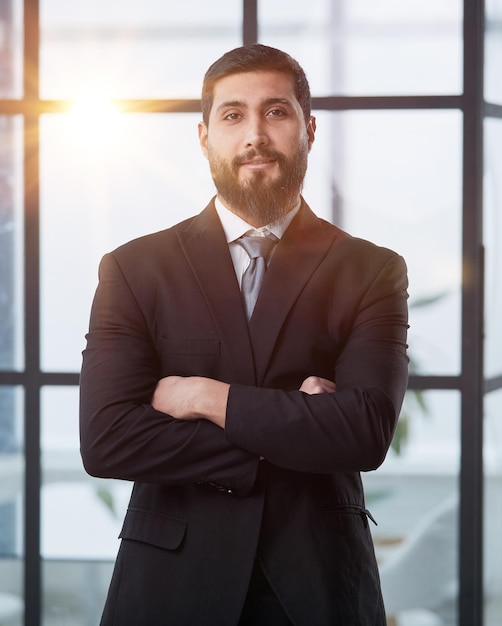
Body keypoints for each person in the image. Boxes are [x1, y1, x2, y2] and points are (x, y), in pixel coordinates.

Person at [79, 43, 409, 626]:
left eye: (276, 112)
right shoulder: (135, 268)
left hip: (318, 585)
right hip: (170, 584)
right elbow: (107, 439)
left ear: (308, 129)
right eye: (233, 115)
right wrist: (296, 424)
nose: (255, 134)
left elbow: (363, 433)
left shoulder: (371, 269)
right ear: (204, 136)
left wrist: (203, 397)